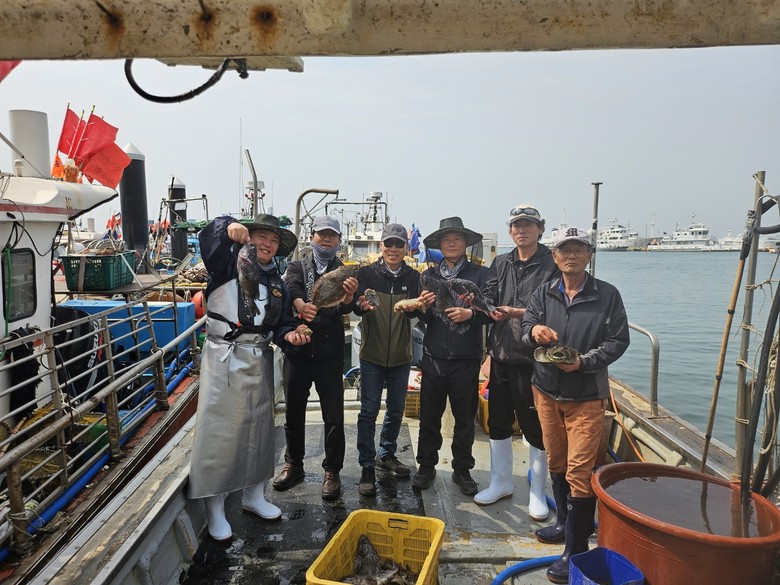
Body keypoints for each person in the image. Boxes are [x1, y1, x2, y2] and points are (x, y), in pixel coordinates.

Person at [188, 213, 310, 542]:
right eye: (261, 237)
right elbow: (209, 240)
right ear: (248, 239)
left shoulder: (278, 285)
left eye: (274, 240)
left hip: (259, 357)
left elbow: (282, 324)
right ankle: (214, 509)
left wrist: (291, 335)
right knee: (219, 433)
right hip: (224, 355)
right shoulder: (227, 265)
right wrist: (226, 226)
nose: (267, 244)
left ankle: (254, 496)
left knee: (259, 431)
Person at [521, 226, 630, 584]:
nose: (571, 255)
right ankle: (563, 523)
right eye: (564, 250)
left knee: (579, 472)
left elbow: (618, 341)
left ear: (589, 256)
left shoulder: (607, 295)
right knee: (556, 460)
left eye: (578, 250)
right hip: (546, 391)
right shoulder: (544, 291)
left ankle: (576, 549)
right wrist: (533, 332)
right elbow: (526, 326)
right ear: (555, 257)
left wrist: (584, 362)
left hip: (586, 396)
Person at [475, 205, 559, 524]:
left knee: (534, 426)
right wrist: (483, 306)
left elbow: (559, 307)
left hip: (534, 359)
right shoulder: (501, 262)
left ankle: (537, 489)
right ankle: (501, 483)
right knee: (498, 422)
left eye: (528, 225)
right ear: (510, 231)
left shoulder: (552, 263)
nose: (522, 230)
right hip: (500, 355)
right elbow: (488, 296)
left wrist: (518, 313)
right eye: (516, 225)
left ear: (540, 229)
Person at [273, 215, 358, 500]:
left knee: (334, 416)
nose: (327, 239)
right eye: (322, 234)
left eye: (332, 235)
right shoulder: (297, 265)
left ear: (339, 240)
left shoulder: (344, 271)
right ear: (312, 237)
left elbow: (347, 308)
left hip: (329, 353)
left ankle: (332, 471)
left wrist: (348, 298)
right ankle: (293, 464)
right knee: (293, 412)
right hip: (297, 351)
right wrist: (300, 304)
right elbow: (293, 286)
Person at [411, 217, 491, 496]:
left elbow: (491, 311)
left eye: (457, 238)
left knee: (465, 419)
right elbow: (421, 317)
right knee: (428, 417)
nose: (452, 243)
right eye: (447, 239)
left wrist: (471, 314)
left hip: (466, 359)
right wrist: (421, 307)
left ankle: (462, 469)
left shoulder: (481, 275)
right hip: (433, 357)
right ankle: (426, 466)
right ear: (440, 244)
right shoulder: (427, 276)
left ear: (466, 242)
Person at [353, 223, 422, 497]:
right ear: (381, 246)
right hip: (371, 354)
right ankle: (366, 464)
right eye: (389, 243)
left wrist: (419, 304)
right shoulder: (366, 274)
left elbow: (419, 312)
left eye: (399, 244)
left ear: (406, 248)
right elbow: (356, 306)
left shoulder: (414, 278)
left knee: (395, 410)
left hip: (402, 356)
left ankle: (387, 453)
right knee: (368, 411)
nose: (393, 248)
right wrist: (360, 306)